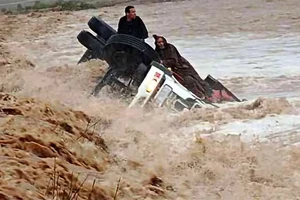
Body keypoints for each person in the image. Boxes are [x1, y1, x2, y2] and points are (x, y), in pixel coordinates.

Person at [153, 34, 213, 100]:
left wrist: (163, 62)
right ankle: (199, 96)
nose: (161, 44)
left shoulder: (170, 47)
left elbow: (174, 60)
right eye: (159, 42)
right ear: (156, 43)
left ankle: (210, 94)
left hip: (184, 67)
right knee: (188, 83)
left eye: (162, 42)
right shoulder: (157, 51)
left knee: (198, 80)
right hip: (176, 71)